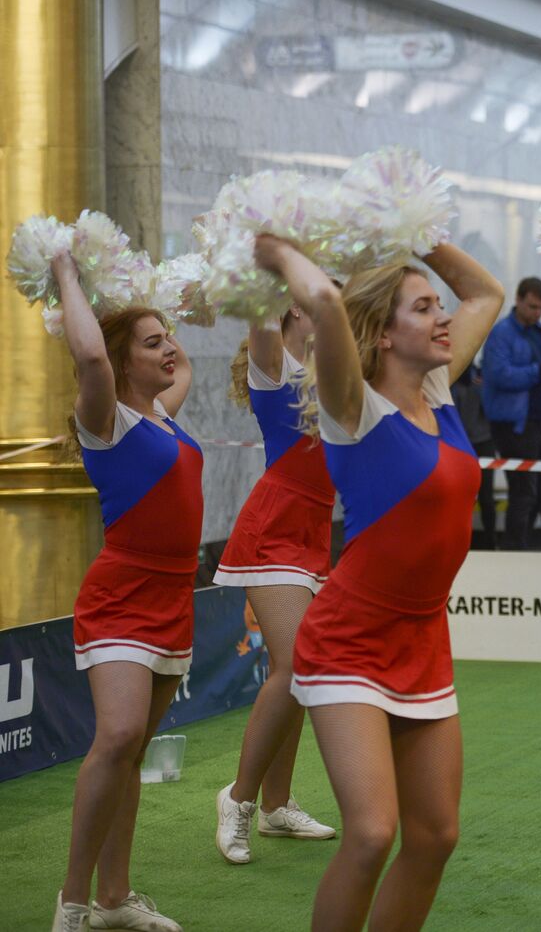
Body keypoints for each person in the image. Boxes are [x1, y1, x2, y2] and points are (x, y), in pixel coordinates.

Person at [254, 232, 505, 930]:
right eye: (423, 307)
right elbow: (328, 302)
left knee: (436, 836)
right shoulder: (352, 406)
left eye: (436, 304)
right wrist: (276, 252)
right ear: (386, 335)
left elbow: (487, 293)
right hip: (348, 642)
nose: (443, 316)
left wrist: (421, 232)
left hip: (425, 639)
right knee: (370, 834)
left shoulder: (438, 389)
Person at [50, 250, 197, 932]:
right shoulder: (106, 419)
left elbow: (184, 362)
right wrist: (67, 275)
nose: (168, 348)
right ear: (121, 359)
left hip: (174, 600)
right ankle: (72, 903)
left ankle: (114, 899)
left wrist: (169, 299)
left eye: (167, 337)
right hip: (120, 596)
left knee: (131, 751)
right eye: (152, 342)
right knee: (117, 735)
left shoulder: (165, 413)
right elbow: (91, 361)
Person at [213, 308, 337, 865]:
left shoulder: (330, 371)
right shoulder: (275, 367)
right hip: (274, 530)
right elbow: (260, 311)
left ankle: (275, 805)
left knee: (296, 676)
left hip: (315, 533)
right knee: (296, 667)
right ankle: (237, 799)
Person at [481, 277, 541, 549]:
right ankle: (513, 552)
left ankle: (520, 547)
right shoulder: (502, 333)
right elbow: (498, 374)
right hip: (514, 425)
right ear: (517, 300)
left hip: (538, 422)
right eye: (531, 306)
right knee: (524, 493)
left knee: (539, 493)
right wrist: (540, 371)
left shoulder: (539, 332)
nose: (536, 313)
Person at [450, 357, 499, 550]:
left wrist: (484, 389)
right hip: (466, 443)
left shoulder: (480, 379)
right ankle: (463, 541)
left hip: (479, 441)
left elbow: (492, 409)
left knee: (486, 497)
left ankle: (490, 540)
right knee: (464, 498)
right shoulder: (450, 384)